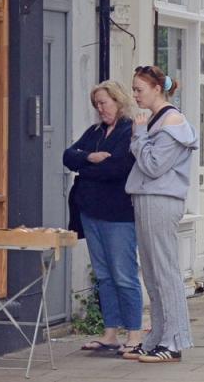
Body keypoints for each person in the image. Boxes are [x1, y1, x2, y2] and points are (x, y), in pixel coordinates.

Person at [124, 65, 199, 364]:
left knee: (165, 272)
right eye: (133, 89)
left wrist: (139, 136)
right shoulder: (158, 120)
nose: (135, 95)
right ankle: (157, 338)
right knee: (153, 274)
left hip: (160, 200)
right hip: (147, 198)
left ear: (157, 88)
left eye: (139, 89)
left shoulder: (173, 121)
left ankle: (174, 342)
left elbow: (154, 166)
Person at [63, 81, 142, 353]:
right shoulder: (95, 132)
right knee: (104, 276)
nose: (100, 109)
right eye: (96, 104)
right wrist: (91, 158)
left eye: (104, 103)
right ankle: (110, 333)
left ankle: (134, 334)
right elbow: (68, 156)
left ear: (118, 101)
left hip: (118, 215)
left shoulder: (128, 130)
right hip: (90, 212)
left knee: (124, 274)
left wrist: (85, 168)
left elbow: (118, 169)